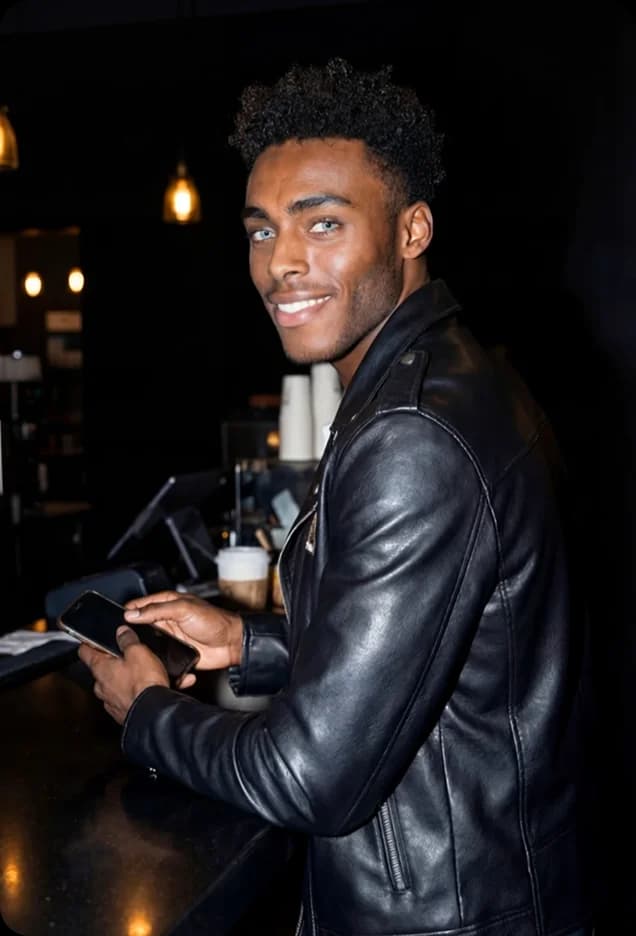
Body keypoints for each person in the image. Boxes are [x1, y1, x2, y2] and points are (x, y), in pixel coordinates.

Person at [79, 58, 594, 936]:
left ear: (412, 229)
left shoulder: (413, 435)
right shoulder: (444, 379)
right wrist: (247, 642)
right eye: (261, 230)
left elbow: (311, 776)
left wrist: (148, 713)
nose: (281, 263)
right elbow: (430, 647)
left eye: (322, 223)